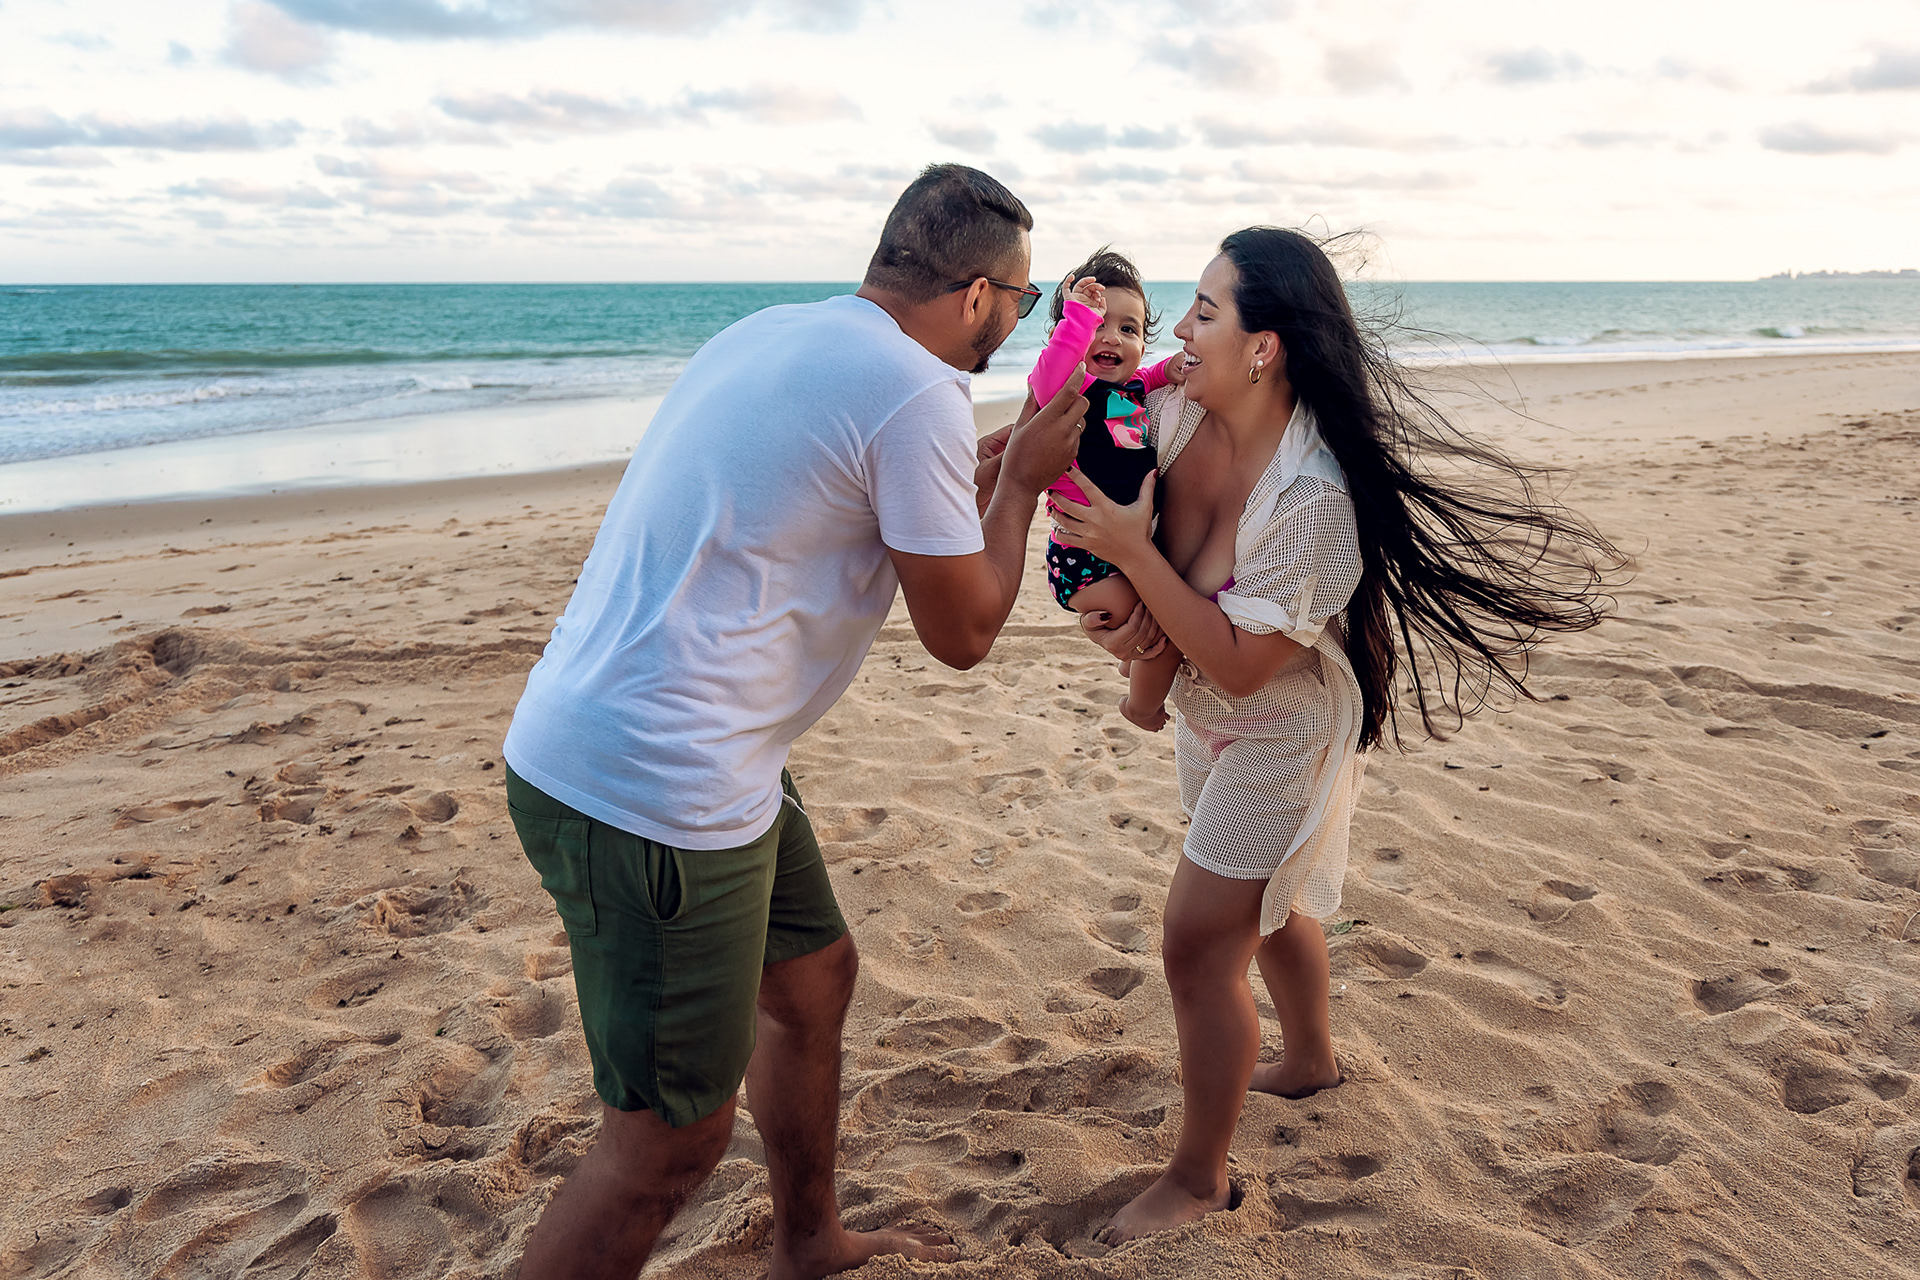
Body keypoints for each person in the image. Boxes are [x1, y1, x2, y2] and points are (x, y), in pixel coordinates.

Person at [499, 163, 1088, 1280]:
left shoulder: (770, 333)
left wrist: (973, 479)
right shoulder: (919, 389)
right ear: (976, 294)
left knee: (813, 979)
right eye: (1022, 300)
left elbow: (829, 499)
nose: (1019, 321)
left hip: (656, 742)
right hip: (656, 784)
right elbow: (964, 632)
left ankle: (809, 1244)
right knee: (666, 1147)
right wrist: (1019, 490)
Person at [1051, 226, 1621, 1244]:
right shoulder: (1174, 412)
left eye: (1205, 312)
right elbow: (1082, 425)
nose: (1179, 331)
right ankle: (1311, 1058)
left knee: (1197, 941)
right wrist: (1079, 330)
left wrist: (1134, 555)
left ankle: (1198, 1178)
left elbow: (1239, 661)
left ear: (1264, 347)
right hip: (1203, 717)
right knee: (1266, 906)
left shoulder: (1313, 498)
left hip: (1283, 729)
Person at [1019, 248, 1189, 733]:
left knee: (1157, 620)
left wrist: (1166, 371)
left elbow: (1141, 378)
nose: (1112, 337)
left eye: (1129, 328)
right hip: (1085, 557)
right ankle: (1140, 707)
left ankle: (1133, 666)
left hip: (1126, 544)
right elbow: (1051, 370)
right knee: (1163, 635)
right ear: (1068, 335)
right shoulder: (1068, 389)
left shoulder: (1128, 388)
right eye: (1098, 325)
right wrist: (1078, 317)